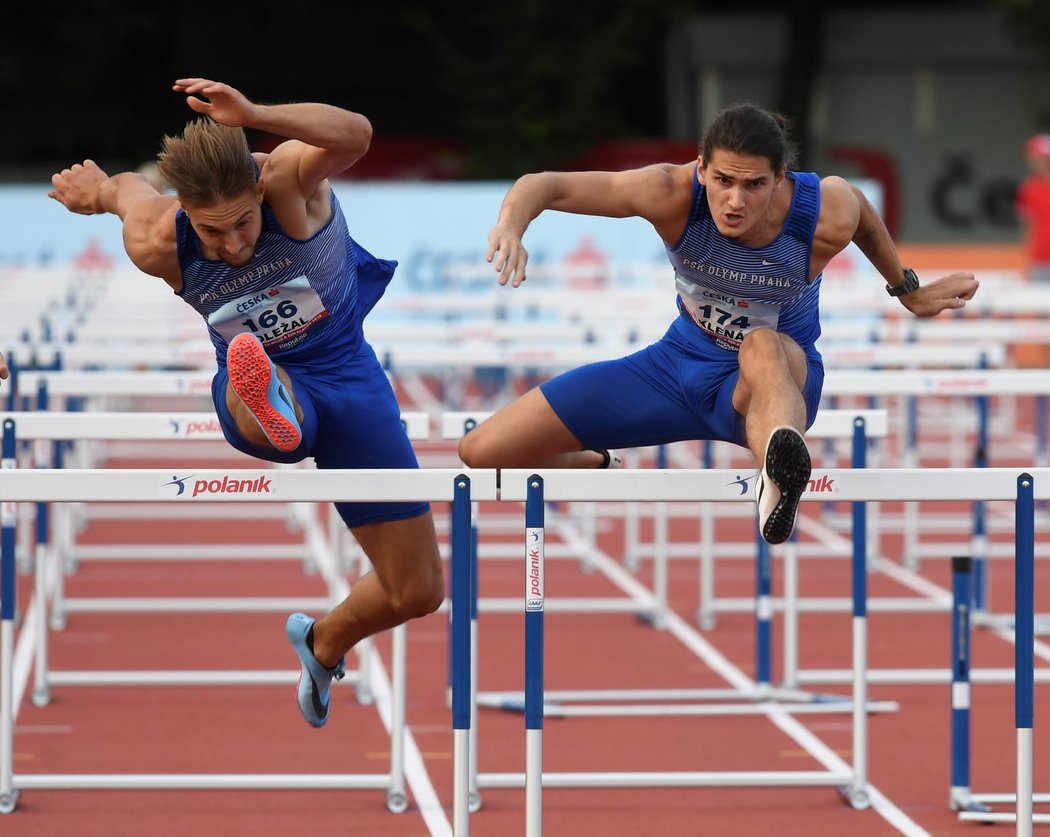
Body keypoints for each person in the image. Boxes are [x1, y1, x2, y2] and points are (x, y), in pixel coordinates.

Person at [48, 78, 444, 728]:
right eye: (211, 232)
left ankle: (322, 641)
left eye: (241, 223)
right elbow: (129, 193)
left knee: (419, 589)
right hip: (249, 399)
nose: (232, 245)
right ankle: (268, 395)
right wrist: (96, 194)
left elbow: (357, 135)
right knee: (271, 409)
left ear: (258, 191)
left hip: (348, 378)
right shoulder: (157, 240)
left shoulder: (287, 182)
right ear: (186, 214)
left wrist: (256, 115)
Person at [458, 102, 979, 545]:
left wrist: (907, 291)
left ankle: (777, 474)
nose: (735, 200)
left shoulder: (823, 211)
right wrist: (510, 225)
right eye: (723, 181)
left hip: (771, 383)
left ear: (780, 180)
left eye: (754, 185)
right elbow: (545, 184)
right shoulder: (668, 192)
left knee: (761, 344)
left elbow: (863, 216)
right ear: (701, 168)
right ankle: (594, 463)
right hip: (673, 368)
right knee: (482, 452)